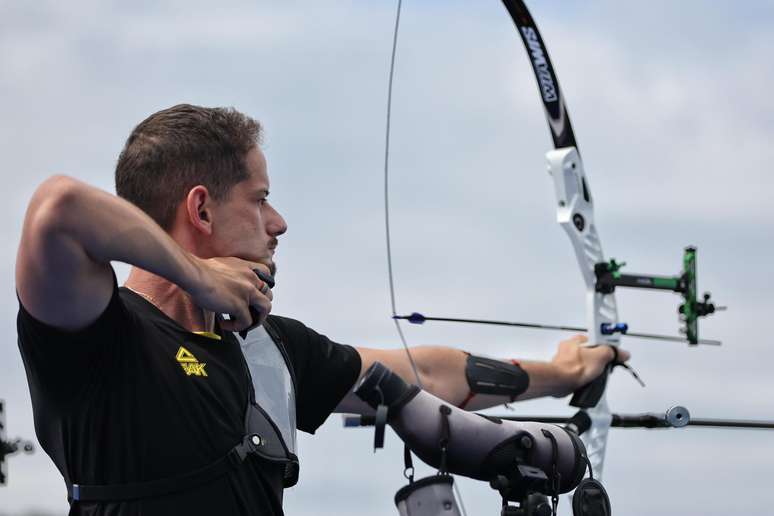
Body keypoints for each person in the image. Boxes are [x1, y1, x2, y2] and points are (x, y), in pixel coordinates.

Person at [15, 104, 628, 515]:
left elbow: (426, 375)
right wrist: (198, 277)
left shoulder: (270, 349)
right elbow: (58, 208)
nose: (279, 224)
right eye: (260, 201)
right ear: (200, 211)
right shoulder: (100, 334)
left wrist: (561, 374)